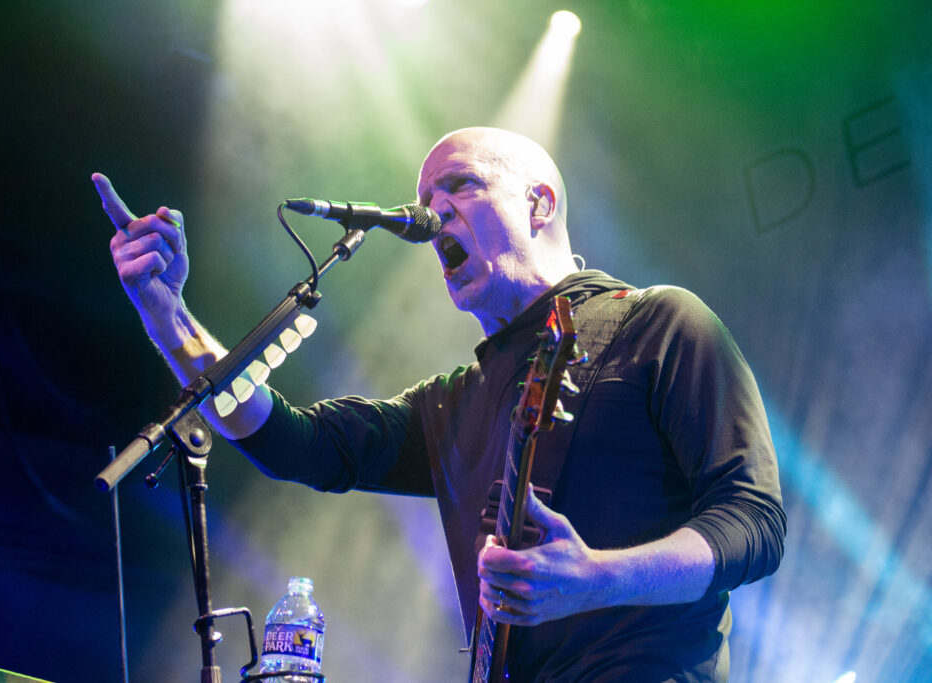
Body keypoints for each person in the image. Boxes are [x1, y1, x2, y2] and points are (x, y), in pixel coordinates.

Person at [93, 127, 785, 681]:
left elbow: (754, 523)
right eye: (426, 197)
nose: (432, 213)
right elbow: (293, 442)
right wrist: (164, 312)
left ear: (539, 205)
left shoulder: (659, 323)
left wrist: (598, 578)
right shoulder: (452, 403)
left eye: (461, 185)